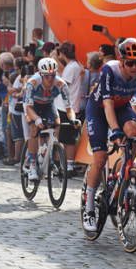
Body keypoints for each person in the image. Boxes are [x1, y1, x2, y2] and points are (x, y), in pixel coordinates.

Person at [82, 38, 136, 232]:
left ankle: (127, 170)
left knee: (135, 131)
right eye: (131, 63)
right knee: (100, 160)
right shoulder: (110, 69)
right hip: (98, 110)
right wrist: (115, 130)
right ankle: (89, 206)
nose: (135, 67)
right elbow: (107, 103)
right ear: (121, 61)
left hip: (122, 107)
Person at [23, 57, 81, 181]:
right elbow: (28, 108)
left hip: (48, 106)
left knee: (57, 125)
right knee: (34, 130)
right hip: (32, 108)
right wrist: (37, 119)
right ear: (40, 74)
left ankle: (52, 156)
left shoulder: (61, 85)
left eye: (53, 75)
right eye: (47, 76)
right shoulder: (32, 83)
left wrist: (73, 120)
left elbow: (69, 109)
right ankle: (33, 164)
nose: (50, 78)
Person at [52, 41, 83, 178]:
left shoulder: (72, 67)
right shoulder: (72, 66)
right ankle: (66, 165)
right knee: (65, 137)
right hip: (66, 105)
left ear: (62, 53)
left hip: (66, 107)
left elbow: (64, 84)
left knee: (67, 138)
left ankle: (69, 167)